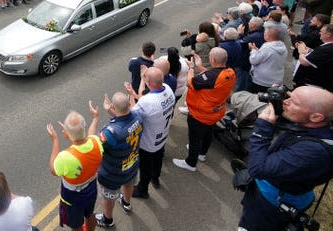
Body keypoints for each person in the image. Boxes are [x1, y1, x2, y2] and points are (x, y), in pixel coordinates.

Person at [238, 86, 333, 230]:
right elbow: (290, 128)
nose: (286, 101)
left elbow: (257, 169)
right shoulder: (320, 126)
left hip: (272, 203)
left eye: (294, 102)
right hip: (287, 189)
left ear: (316, 117)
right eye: (289, 96)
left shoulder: (312, 152)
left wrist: (262, 129)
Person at [172, 48, 235, 172]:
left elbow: (190, 83)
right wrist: (200, 66)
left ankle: (190, 163)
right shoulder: (229, 72)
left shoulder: (212, 76)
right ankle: (202, 153)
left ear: (212, 60)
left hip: (200, 114)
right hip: (215, 113)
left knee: (194, 138)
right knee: (208, 133)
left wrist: (191, 68)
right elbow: (212, 79)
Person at [46, 104, 102, 231]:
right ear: (84, 128)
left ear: (66, 135)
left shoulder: (65, 157)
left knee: (76, 225)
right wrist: (95, 118)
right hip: (91, 190)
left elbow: (53, 170)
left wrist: (55, 140)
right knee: (90, 214)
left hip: (72, 199)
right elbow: (91, 134)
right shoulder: (96, 142)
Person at [95, 92, 143, 228]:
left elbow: (96, 148)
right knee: (129, 184)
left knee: (109, 197)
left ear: (114, 109)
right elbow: (126, 121)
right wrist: (111, 110)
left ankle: (108, 220)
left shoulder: (110, 133)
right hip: (132, 164)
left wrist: (100, 115)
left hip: (113, 172)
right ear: (129, 103)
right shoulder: (138, 117)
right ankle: (126, 203)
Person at [125, 67, 175, 199]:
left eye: (145, 77)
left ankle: (143, 189)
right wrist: (145, 78)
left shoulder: (147, 102)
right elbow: (146, 96)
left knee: (145, 166)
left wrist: (131, 94)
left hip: (149, 142)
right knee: (158, 159)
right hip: (162, 136)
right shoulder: (168, 89)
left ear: (150, 83)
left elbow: (131, 114)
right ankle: (156, 178)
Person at [293, 24, 333, 93]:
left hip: (314, 87)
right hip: (319, 85)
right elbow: (322, 57)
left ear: (328, 35)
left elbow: (304, 62)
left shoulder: (329, 49)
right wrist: (309, 50)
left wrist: (301, 52)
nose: (319, 33)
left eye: (321, 31)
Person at [248, 27, 287, 94]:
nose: (263, 35)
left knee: (258, 99)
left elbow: (253, 60)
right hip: (276, 79)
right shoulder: (282, 46)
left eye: (265, 34)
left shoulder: (267, 48)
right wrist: (258, 52)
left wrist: (253, 50)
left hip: (262, 81)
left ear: (268, 36)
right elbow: (269, 57)